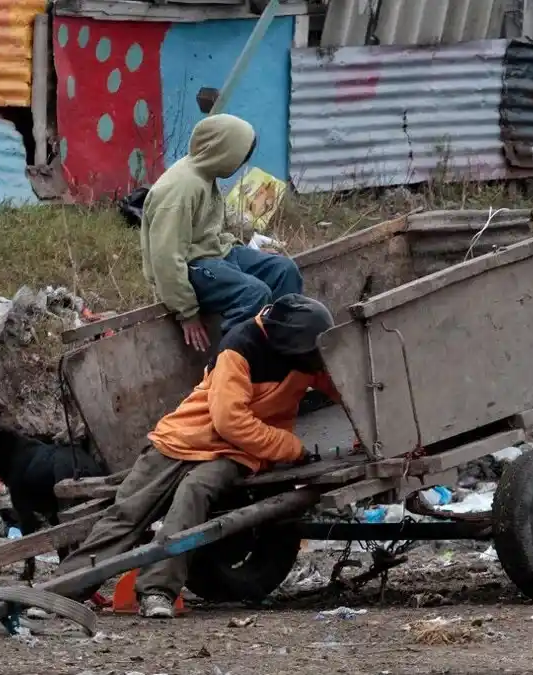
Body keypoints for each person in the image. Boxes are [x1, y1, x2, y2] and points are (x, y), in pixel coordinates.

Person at [55, 293, 338, 618]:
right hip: (184, 437)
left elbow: (345, 384)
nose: (315, 361)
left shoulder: (305, 354)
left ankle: (157, 591)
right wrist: (291, 448)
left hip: (235, 452)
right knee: (127, 513)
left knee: (194, 493)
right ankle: (60, 591)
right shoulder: (240, 348)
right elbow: (229, 420)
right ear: (288, 344)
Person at [141, 114, 303, 352]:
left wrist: (247, 252)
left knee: (284, 269)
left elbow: (211, 232)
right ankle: (230, 363)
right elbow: (165, 258)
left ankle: (282, 349)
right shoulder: (181, 190)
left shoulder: (206, 175)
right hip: (192, 266)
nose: (241, 164)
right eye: (240, 156)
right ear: (223, 152)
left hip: (215, 254)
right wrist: (187, 312)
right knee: (254, 293)